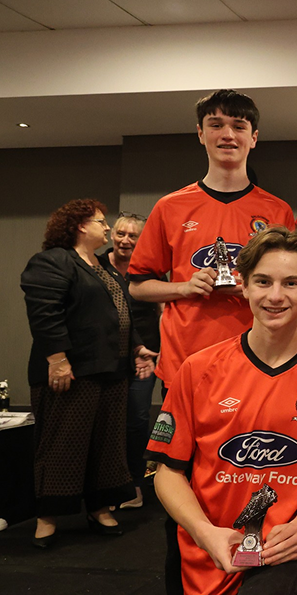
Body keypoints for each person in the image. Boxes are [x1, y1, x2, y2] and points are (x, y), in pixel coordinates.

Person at [128, 88, 295, 593]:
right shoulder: (171, 207)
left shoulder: (276, 210)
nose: (228, 135)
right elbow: (138, 283)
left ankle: (274, 574)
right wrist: (184, 285)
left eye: (239, 126)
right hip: (186, 372)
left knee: (260, 475)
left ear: (254, 138)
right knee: (182, 488)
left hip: (261, 369)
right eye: (218, 125)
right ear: (200, 133)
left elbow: (295, 284)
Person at [146, 226, 297, 595]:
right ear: (244, 285)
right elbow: (166, 473)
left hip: (279, 548)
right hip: (203, 547)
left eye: (291, 284)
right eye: (263, 281)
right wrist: (206, 534)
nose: (275, 296)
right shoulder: (198, 369)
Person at [21, 199, 156, 548]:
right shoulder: (53, 261)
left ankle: (99, 508)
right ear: (80, 225)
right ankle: (47, 517)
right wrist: (58, 359)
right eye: (101, 222)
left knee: (107, 446)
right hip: (71, 372)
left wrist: (137, 347)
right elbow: (44, 313)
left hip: (111, 371)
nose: (107, 228)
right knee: (63, 444)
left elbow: (119, 313)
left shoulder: (102, 267)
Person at [99, 212, 161, 510]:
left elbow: (164, 312)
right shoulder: (95, 266)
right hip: (107, 356)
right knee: (109, 421)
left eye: (133, 236)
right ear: (112, 235)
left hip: (145, 358)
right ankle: (106, 487)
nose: (125, 240)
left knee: (137, 419)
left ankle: (134, 484)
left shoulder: (150, 271)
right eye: (121, 233)